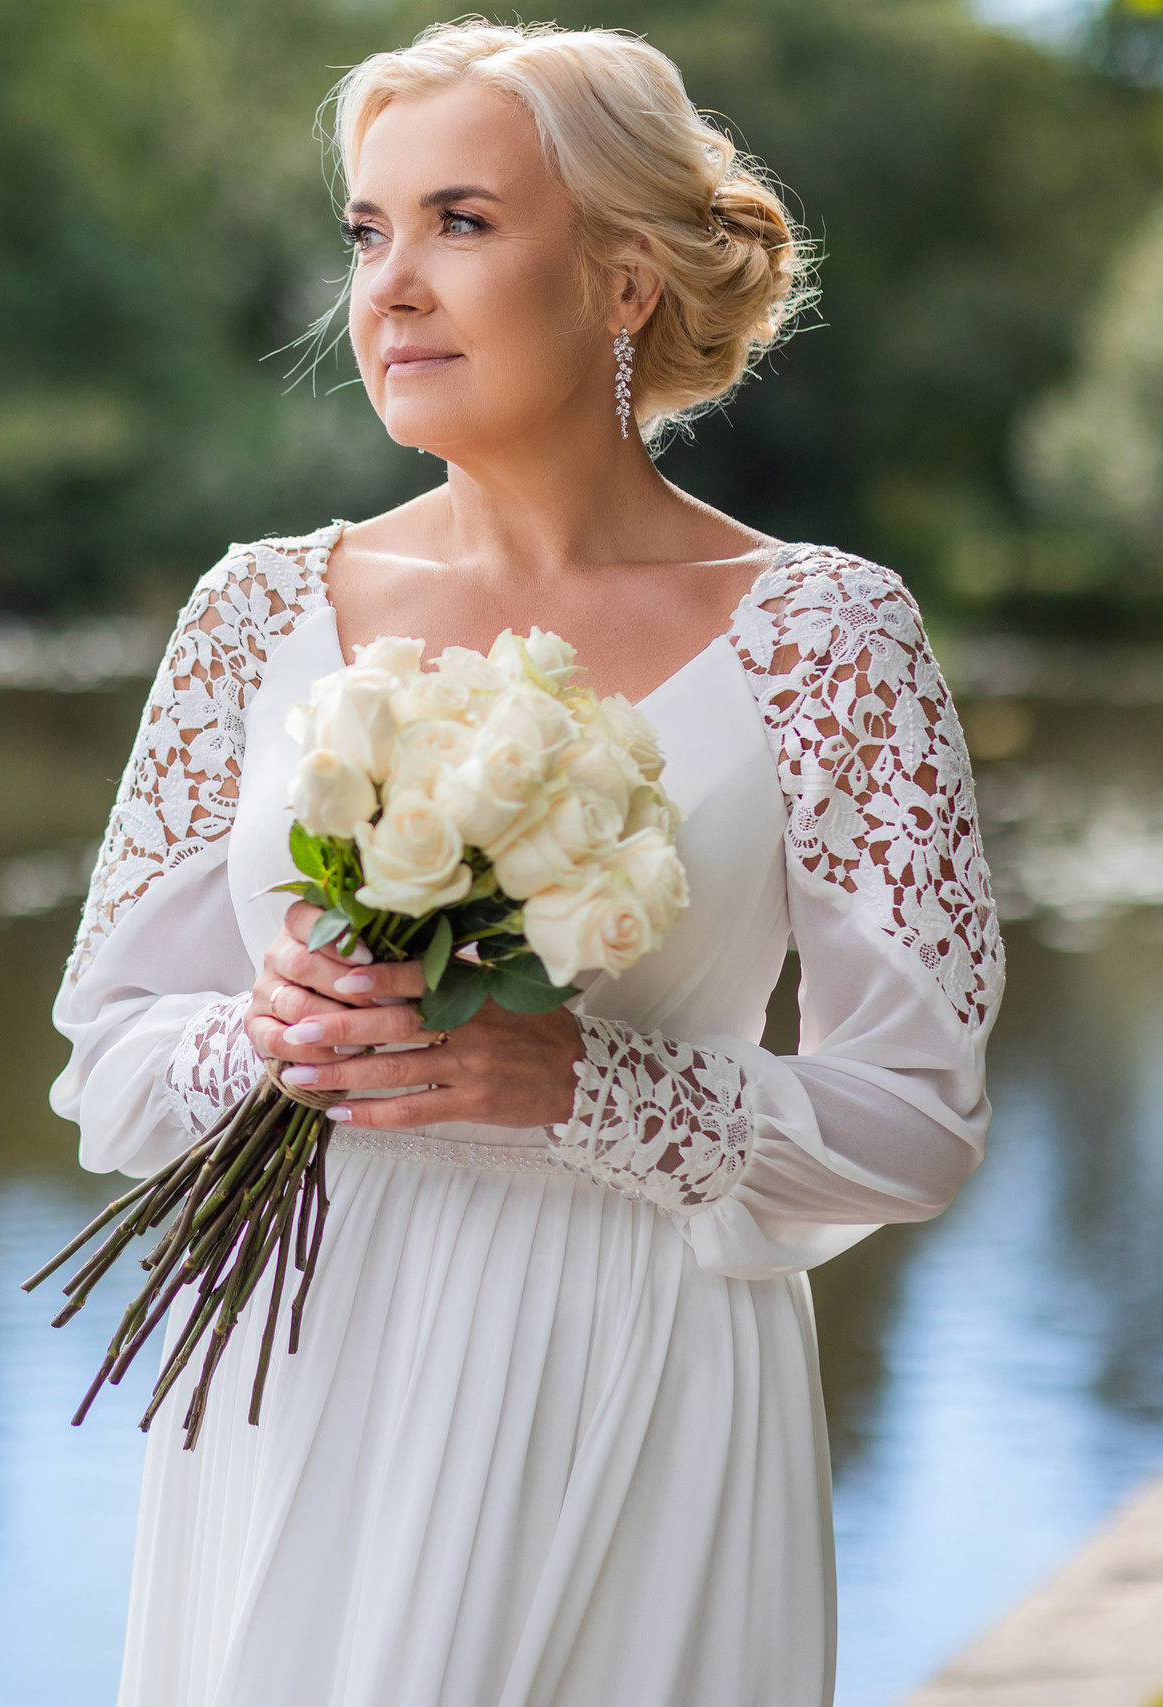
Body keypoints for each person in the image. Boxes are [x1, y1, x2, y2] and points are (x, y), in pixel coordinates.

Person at [49, 20, 1003, 1707]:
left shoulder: (828, 636)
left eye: (463, 223)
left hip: (637, 1368)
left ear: (624, 282)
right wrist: (270, 1037)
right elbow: (110, 1069)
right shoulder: (253, 611)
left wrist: (582, 1085)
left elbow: (918, 1121)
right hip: (301, 1364)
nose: (391, 287)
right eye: (369, 231)